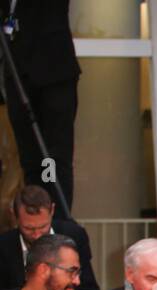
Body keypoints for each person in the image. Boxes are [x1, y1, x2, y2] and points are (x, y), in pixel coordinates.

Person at [1, 1, 79, 218]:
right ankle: (35, 217)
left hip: (52, 74)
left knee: (53, 157)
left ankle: (57, 220)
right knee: (30, 159)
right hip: (17, 75)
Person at [0, 186, 99, 290]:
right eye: (28, 228)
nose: (37, 235)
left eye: (43, 227)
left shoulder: (74, 236)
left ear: (52, 210)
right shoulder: (4, 247)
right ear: (15, 217)